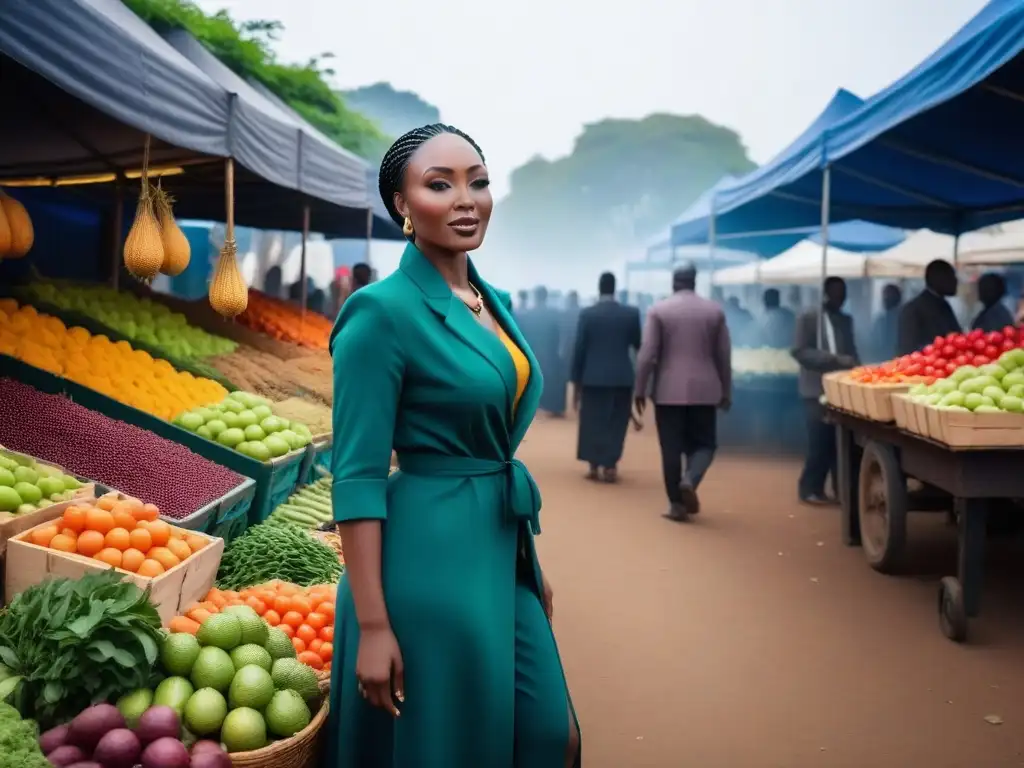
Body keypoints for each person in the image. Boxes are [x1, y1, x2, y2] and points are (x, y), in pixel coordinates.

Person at [326, 124, 580, 768]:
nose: (467, 199)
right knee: (449, 745)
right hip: (425, 560)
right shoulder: (379, 312)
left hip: (497, 544)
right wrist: (376, 626)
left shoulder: (487, 301)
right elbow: (355, 476)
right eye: (440, 185)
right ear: (402, 207)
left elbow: (496, 440)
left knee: (552, 734)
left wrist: (527, 563)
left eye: (479, 181)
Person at [634, 263, 731, 521]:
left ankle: (676, 504)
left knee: (671, 448)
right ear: (694, 281)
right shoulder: (714, 311)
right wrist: (726, 389)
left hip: (667, 391)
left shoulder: (659, 310)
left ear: (674, 282)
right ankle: (691, 478)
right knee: (705, 444)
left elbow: (647, 355)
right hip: (705, 389)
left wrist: (640, 390)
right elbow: (724, 356)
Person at [792, 277, 859, 505]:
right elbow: (799, 351)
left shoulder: (845, 320)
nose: (841, 297)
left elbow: (851, 351)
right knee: (819, 441)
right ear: (826, 293)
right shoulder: (810, 318)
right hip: (814, 389)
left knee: (838, 441)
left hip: (840, 388)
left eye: (844, 293)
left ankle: (841, 489)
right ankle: (809, 487)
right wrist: (833, 359)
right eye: (836, 292)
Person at [571, 272, 641, 482]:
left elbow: (579, 350)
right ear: (614, 288)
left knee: (592, 420)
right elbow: (638, 346)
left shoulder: (587, 314)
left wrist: (576, 382)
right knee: (616, 421)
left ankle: (593, 464)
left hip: (592, 377)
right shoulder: (631, 314)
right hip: (621, 377)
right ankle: (610, 465)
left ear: (599, 288)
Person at [520, 286, 567, 417]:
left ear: (535, 297)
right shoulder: (555, 313)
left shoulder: (528, 315)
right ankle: (554, 408)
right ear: (546, 297)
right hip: (550, 353)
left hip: (532, 353)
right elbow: (560, 334)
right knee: (554, 380)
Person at [897, 259, 961, 355]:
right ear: (938, 278)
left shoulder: (944, 305)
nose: (956, 281)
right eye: (951, 276)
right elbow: (907, 349)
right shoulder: (914, 309)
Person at [869, 284, 902, 362]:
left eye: (890, 296)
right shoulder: (879, 320)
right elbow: (873, 342)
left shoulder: (903, 318)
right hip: (879, 361)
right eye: (885, 296)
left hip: (898, 360)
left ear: (898, 298)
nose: (886, 298)